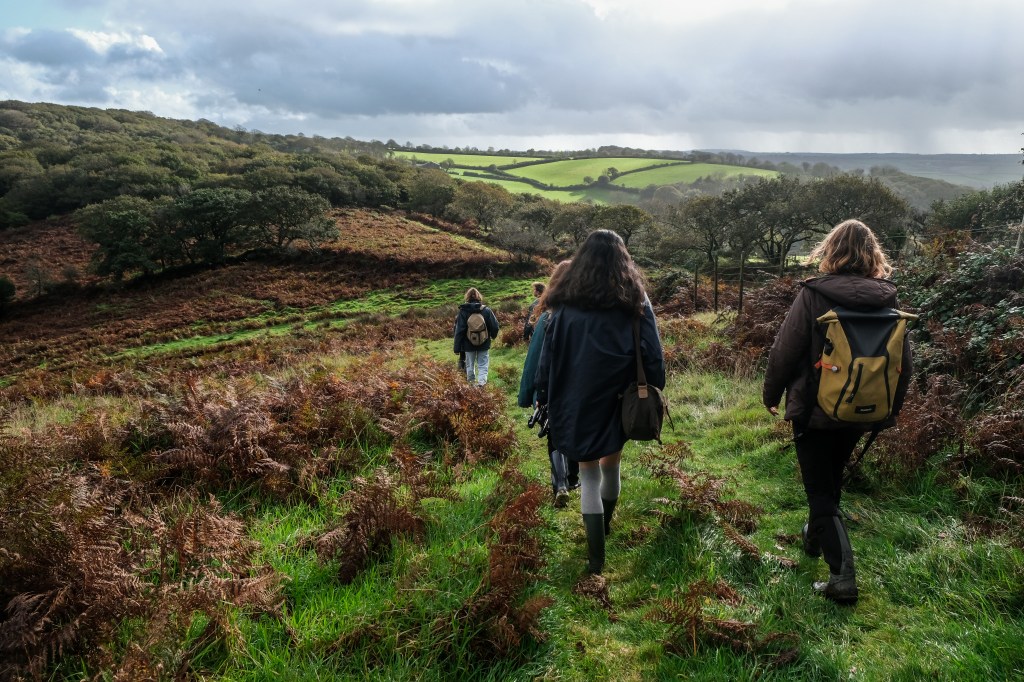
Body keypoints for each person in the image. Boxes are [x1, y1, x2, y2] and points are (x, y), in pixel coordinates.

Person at [762, 219, 913, 604]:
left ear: (831, 250)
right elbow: (902, 363)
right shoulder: (888, 297)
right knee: (830, 482)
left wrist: (771, 394)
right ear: (872, 253)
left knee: (818, 490)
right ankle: (813, 540)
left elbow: (785, 350)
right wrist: (890, 410)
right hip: (864, 409)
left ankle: (842, 577)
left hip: (815, 407)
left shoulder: (814, 294)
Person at [535, 230, 665, 575]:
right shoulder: (636, 299)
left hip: (574, 395)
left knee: (588, 475)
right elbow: (653, 353)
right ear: (623, 260)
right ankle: (604, 527)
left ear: (582, 259)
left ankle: (596, 559)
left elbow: (548, 356)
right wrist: (654, 388)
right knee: (612, 466)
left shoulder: (563, 301)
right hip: (620, 396)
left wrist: (544, 395)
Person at [518, 262, 579, 507]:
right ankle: (574, 478)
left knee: (554, 432)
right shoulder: (586, 316)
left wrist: (532, 394)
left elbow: (534, 360)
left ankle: (560, 484)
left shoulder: (547, 316)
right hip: (579, 386)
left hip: (553, 387)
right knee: (576, 430)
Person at [453, 287, 500, 386]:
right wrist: (492, 336)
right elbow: (495, 326)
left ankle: (471, 385)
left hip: (468, 344)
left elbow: (459, 331)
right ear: (479, 297)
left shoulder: (463, 311)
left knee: (469, 365)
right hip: (484, 342)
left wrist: (457, 348)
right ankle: (481, 384)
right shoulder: (486, 310)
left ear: (467, 297)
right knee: (483, 365)